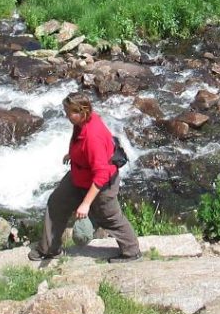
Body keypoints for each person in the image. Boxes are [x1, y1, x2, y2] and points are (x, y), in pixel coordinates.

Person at [29, 92, 141, 263]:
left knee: (109, 218)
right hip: (79, 174)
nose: (67, 116)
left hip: (102, 184)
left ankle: (132, 252)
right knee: (56, 203)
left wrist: (86, 204)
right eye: (66, 112)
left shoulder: (92, 136)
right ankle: (49, 249)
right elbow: (83, 146)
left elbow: (101, 174)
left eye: (70, 113)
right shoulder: (84, 121)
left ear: (83, 112)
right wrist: (73, 154)